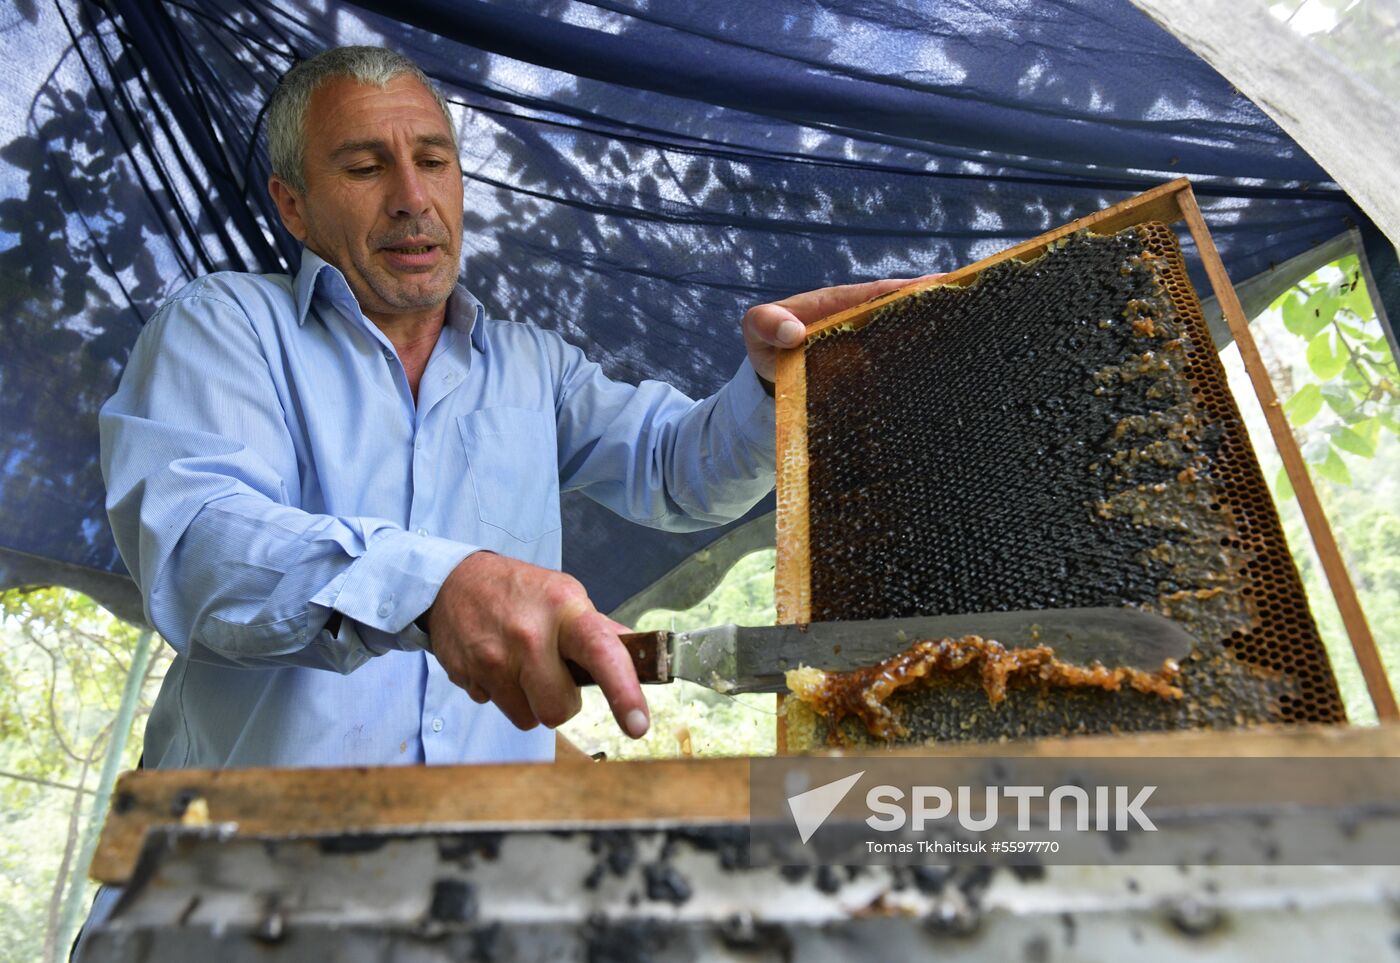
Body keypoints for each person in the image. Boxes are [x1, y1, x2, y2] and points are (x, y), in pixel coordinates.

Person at [77, 44, 911, 955]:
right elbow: (200, 546)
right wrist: (438, 585)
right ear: (294, 206)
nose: (411, 195)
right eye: (364, 166)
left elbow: (680, 468)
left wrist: (768, 384)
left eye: (433, 159)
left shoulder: (531, 366)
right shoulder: (225, 323)